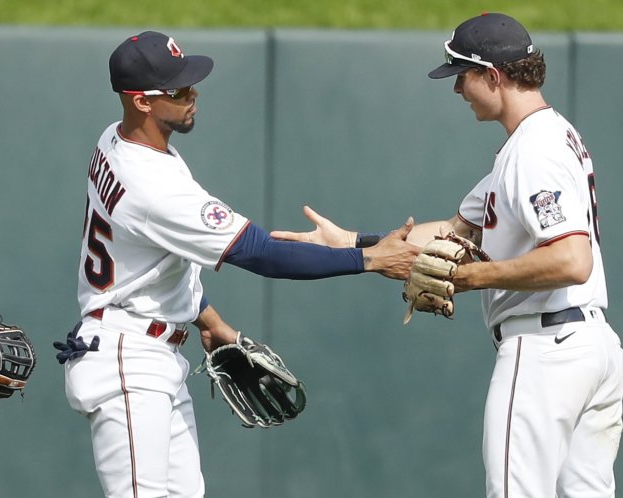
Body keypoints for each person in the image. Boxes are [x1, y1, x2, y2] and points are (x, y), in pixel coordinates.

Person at [272, 13, 623, 498]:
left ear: (493, 76)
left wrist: (471, 278)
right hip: (589, 348)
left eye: (462, 75)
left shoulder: (534, 151)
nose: (457, 88)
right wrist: (352, 241)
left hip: (547, 350)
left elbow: (571, 260)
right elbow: (454, 231)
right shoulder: (538, 140)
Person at [61, 30, 420, 498]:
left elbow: (151, 264)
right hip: (128, 361)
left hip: (146, 349)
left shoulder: (116, 138)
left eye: (190, 83)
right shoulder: (153, 186)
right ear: (141, 101)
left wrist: (209, 321)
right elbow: (262, 253)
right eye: (178, 90)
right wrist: (368, 259)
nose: (193, 95)